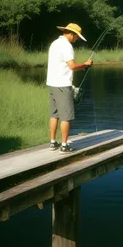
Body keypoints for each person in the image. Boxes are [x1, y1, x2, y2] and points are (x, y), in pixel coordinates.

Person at [46, 23, 93, 152]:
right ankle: (64, 146)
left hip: (52, 83)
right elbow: (72, 66)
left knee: (54, 115)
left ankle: (52, 143)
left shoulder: (54, 43)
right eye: (77, 36)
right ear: (71, 34)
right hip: (63, 85)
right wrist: (85, 64)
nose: (77, 39)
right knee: (66, 117)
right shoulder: (67, 46)